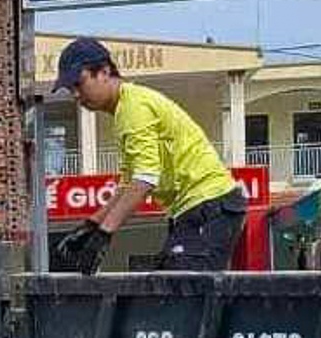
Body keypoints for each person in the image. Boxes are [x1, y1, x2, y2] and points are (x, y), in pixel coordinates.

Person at [53, 37, 245, 274]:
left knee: (181, 291)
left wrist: (104, 235)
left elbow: (145, 179)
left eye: (79, 83)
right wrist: (91, 225)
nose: (75, 94)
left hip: (210, 205)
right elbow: (129, 184)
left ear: (103, 71)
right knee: (170, 286)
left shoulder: (134, 108)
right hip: (195, 209)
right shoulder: (124, 111)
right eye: (70, 89)